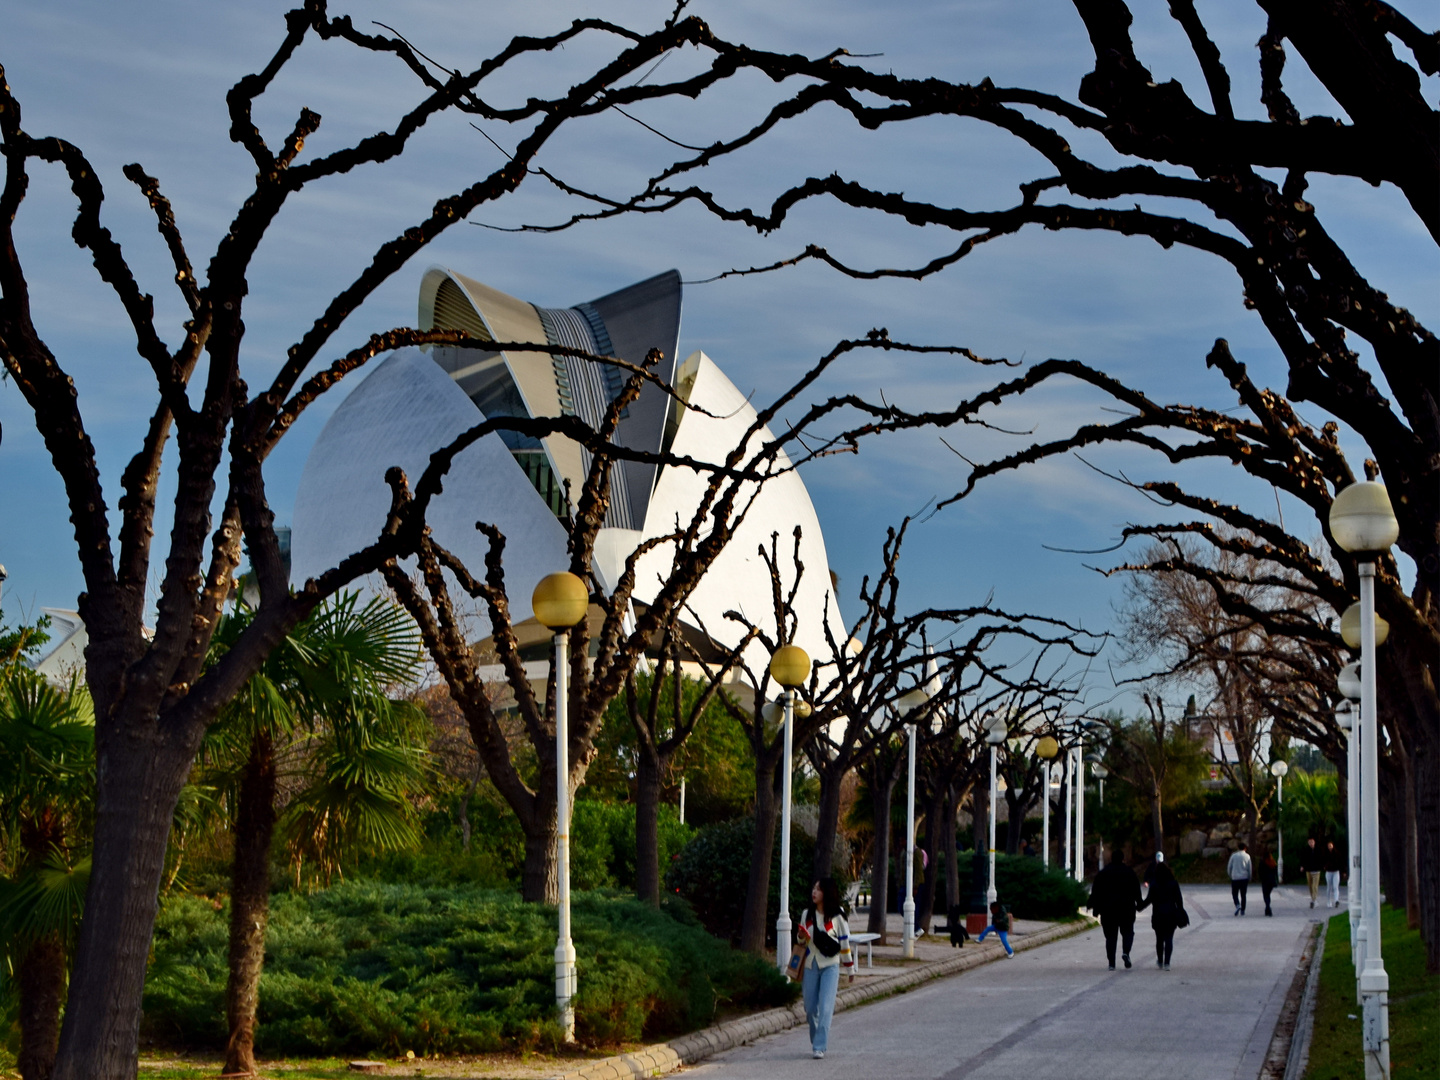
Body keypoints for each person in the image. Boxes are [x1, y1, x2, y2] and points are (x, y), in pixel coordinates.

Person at [796, 877, 854, 1060]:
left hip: (830, 965)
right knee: (810, 1007)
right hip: (810, 964)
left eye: (818, 889)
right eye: (813, 888)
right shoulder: (807, 914)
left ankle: (819, 1046)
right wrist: (800, 936)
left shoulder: (837, 917)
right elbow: (801, 942)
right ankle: (816, 1039)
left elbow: (844, 943)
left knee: (826, 1007)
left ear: (826, 893)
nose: (814, 892)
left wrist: (849, 968)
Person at [1088, 846, 1141, 970]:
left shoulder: (1103, 873)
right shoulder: (1129, 873)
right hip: (1126, 909)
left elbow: (1096, 892)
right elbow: (1136, 891)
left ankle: (1111, 963)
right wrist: (1139, 904)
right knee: (1128, 932)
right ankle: (1126, 952)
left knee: (1111, 937)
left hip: (1108, 910)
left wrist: (1093, 906)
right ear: (1123, 859)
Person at [1137, 857, 1185, 970]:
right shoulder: (1173, 883)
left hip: (1158, 915)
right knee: (1169, 939)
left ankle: (1160, 960)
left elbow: (1149, 900)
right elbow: (1179, 899)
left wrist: (1139, 907)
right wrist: (1180, 911)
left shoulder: (1154, 884)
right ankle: (1167, 962)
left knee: (1159, 939)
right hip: (1171, 914)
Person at [1227, 841, 1252, 916]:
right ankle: (1243, 910)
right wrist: (1249, 877)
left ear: (1238, 848)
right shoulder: (1247, 856)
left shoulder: (1233, 856)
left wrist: (1230, 875)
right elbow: (1249, 868)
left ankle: (1237, 905)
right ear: (1245, 848)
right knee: (1243, 895)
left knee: (1234, 893)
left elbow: (1229, 867)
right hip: (1244, 878)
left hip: (1235, 878)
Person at [1299, 837, 1324, 908]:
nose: (1311, 843)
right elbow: (1303, 858)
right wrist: (1302, 866)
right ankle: (1313, 899)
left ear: (1314, 842)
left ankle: (1313, 900)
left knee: (1314, 886)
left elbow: (1321, 859)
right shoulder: (1306, 850)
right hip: (1308, 870)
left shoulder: (1318, 850)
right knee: (1310, 886)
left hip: (1316, 871)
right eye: (1310, 842)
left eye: (1312, 842)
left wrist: (1321, 866)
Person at [1257, 847, 1278, 916]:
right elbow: (1275, 872)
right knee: (1268, 894)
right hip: (1272, 881)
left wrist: (1261, 878)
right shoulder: (1273, 862)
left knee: (1265, 895)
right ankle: (1267, 908)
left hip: (1265, 881)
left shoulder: (1262, 862)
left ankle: (1268, 907)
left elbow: (1260, 872)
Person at [1324, 840, 1345, 908]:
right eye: (1329, 846)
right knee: (1329, 887)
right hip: (1328, 872)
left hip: (1336, 871)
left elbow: (1341, 862)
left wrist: (1343, 871)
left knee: (1335, 887)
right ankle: (1328, 901)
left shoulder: (1337, 853)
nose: (1330, 847)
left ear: (1333, 845)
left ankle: (1336, 900)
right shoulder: (1326, 854)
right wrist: (1325, 866)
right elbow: (1323, 861)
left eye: (1331, 845)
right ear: (1327, 847)